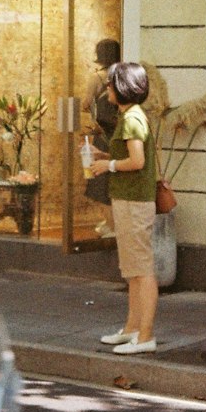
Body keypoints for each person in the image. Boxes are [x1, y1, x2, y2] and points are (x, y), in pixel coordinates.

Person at [91, 61, 159, 354]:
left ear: (121, 88)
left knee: (141, 270)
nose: (106, 89)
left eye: (109, 84)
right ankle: (132, 328)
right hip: (129, 199)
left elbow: (137, 162)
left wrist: (108, 164)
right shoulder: (131, 116)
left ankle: (145, 337)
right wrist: (105, 154)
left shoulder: (131, 119)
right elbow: (131, 156)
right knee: (133, 269)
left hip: (134, 201)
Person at [83, 38, 121, 236]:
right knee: (111, 182)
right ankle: (111, 223)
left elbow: (86, 102)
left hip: (103, 132)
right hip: (118, 133)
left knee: (99, 183)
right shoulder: (121, 75)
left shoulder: (97, 78)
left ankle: (112, 225)